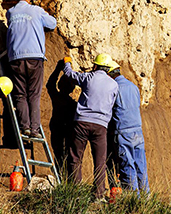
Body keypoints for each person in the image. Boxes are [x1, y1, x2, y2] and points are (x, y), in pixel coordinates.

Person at [62, 53, 119, 199]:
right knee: (100, 161)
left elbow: (70, 75)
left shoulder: (89, 77)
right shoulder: (114, 85)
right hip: (101, 126)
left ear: (95, 66)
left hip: (82, 122)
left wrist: (67, 63)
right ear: (108, 68)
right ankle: (99, 195)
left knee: (75, 157)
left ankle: (75, 192)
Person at [6, 0, 57, 139]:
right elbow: (52, 24)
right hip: (34, 57)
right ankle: (34, 130)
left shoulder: (10, 13)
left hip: (15, 58)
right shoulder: (36, 10)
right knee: (33, 94)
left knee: (20, 95)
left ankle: (25, 127)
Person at [107, 63, 149, 193]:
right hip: (137, 131)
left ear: (109, 75)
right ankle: (145, 198)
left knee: (127, 166)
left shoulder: (114, 87)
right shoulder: (134, 87)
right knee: (140, 166)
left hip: (123, 133)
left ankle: (133, 200)